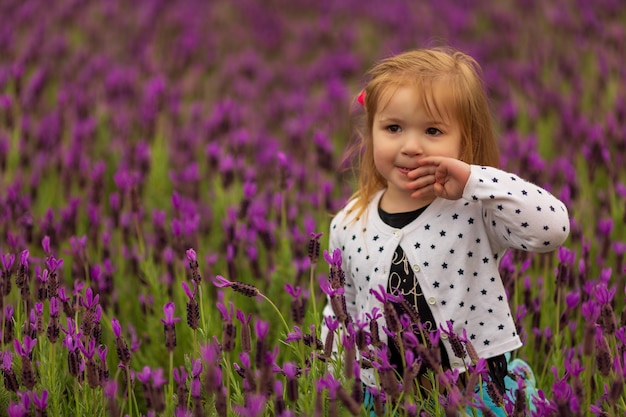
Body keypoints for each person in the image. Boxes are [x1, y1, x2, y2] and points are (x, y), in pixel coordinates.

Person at [320, 47, 570, 415]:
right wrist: (331, 369)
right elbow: (342, 308)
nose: (410, 146)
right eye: (393, 128)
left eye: (433, 130)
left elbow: (553, 228)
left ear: (463, 140)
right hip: (389, 398)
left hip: (474, 388)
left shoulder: (474, 208)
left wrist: (474, 179)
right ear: (371, 131)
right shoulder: (349, 222)